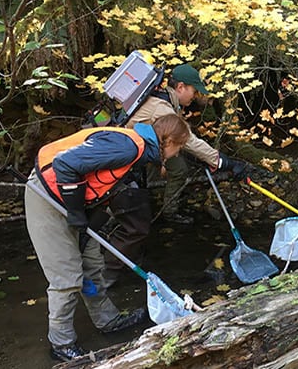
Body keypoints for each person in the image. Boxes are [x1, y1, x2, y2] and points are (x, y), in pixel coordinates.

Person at [24, 116, 190, 361]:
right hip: (46, 198)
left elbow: (102, 187)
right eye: (179, 148)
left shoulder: (138, 150)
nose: (177, 155)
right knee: (67, 277)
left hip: (72, 202)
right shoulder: (129, 146)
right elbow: (66, 164)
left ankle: (107, 320)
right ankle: (61, 344)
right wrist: (76, 212)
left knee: (92, 264)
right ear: (169, 141)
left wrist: (85, 219)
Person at [125, 63, 247, 224]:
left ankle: (159, 208)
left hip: (144, 147)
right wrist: (222, 162)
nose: (195, 96)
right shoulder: (162, 108)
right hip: (130, 153)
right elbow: (189, 141)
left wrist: (201, 158)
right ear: (181, 87)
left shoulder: (167, 101)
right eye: (194, 91)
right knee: (178, 169)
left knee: (178, 167)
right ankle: (158, 211)